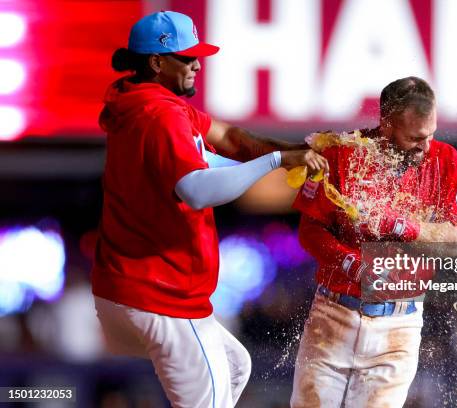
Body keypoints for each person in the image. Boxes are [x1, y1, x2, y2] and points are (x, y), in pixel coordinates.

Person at [91, 11, 327, 408]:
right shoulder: (161, 115)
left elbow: (230, 140)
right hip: (162, 296)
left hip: (124, 288)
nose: (198, 64)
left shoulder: (145, 102)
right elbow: (196, 191)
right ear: (156, 61)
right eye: (187, 57)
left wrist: (294, 153)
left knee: (235, 366)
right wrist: (275, 162)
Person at [290, 76, 457, 407]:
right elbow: (309, 230)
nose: (426, 146)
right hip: (333, 316)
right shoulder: (340, 153)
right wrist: (353, 265)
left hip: (399, 326)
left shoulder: (445, 161)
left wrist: (402, 226)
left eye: (431, 134)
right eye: (416, 137)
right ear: (386, 124)